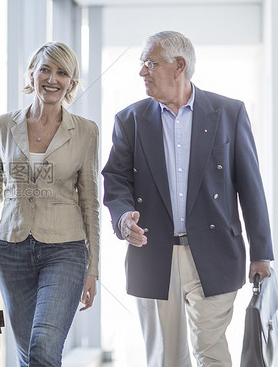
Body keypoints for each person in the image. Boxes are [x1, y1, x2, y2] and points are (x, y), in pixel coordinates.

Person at [102, 30, 274, 367]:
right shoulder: (130, 120)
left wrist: (261, 254)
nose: (142, 72)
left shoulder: (229, 113)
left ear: (179, 65)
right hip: (153, 253)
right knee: (167, 357)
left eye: (149, 64)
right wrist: (123, 218)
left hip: (216, 251)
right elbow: (116, 179)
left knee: (211, 351)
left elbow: (250, 186)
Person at [0, 41, 100, 367]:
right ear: (32, 73)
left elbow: (89, 201)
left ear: (71, 81)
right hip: (12, 252)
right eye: (45, 69)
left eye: (62, 72)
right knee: (29, 354)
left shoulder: (85, 131)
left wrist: (93, 268)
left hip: (66, 251)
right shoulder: (2, 126)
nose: (52, 78)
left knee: (43, 347)